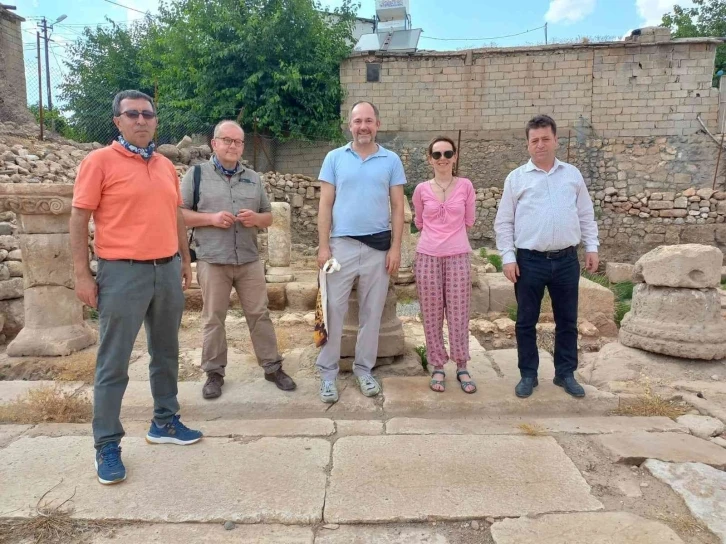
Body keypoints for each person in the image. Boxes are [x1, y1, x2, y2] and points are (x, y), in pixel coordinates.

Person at [70, 89, 202, 486]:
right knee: (114, 362)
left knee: (166, 352)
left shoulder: (164, 166)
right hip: (122, 273)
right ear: (118, 120)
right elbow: (79, 219)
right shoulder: (99, 162)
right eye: (132, 114)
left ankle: (165, 421)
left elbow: (175, 214)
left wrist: (185, 259)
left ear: (156, 120)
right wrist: (82, 274)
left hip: (166, 269)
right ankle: (107, 444)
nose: (141, 120)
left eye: (148, 114)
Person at [180, 120, 296, 399]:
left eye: (238, 142)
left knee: (260, 314)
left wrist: (256, 219)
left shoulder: (253, 178)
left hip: (248, 259)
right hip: (212, 259)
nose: (233, 146)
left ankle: (272, 367)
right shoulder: (196, 175)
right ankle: (214, 373)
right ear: (214, 143)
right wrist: (211, 218)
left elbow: (268, 217)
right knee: (213, 318)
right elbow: (179, 214)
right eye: (227, 140)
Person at [494, 114, 599, 399]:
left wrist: (592, 247)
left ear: (556, 140)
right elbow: (504, 221)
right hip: (530, 261)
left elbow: (585, 213)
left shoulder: (572, 175)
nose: (540, 145)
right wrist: (507, 256)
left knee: (567, 320)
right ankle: (528, 374)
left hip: (566, 260)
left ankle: (565, 373)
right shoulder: (516, 178)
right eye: (535, 140)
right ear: (528, 144)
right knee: (526, 321)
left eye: (545, 139)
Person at [316, 101, 406, 403]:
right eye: (357, 121)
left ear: (377, 125)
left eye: (368, 121)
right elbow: (325, 204)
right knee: (333, 311)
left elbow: (398, 207)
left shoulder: (391, 160)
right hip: (340, 247)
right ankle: (327, 373)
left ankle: (364, 369)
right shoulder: (334, 158)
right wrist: (323, 246)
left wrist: (395, 248)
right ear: (350, 125)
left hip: (378, 248)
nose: (363, 126)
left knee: (372, 312)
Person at [412, 136, 476, 394]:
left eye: (447, 153)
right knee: (431, 313)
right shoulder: (421, 190)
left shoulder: (466, 186)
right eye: (437, 154)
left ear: (455, 156)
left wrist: (450, 239)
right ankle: (437, 365)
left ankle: (462, 364)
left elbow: (469, 220)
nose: (442, 159)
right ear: (430, 159)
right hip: (427, 255)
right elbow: (419, 221)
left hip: (458, 255)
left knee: (459, 312)